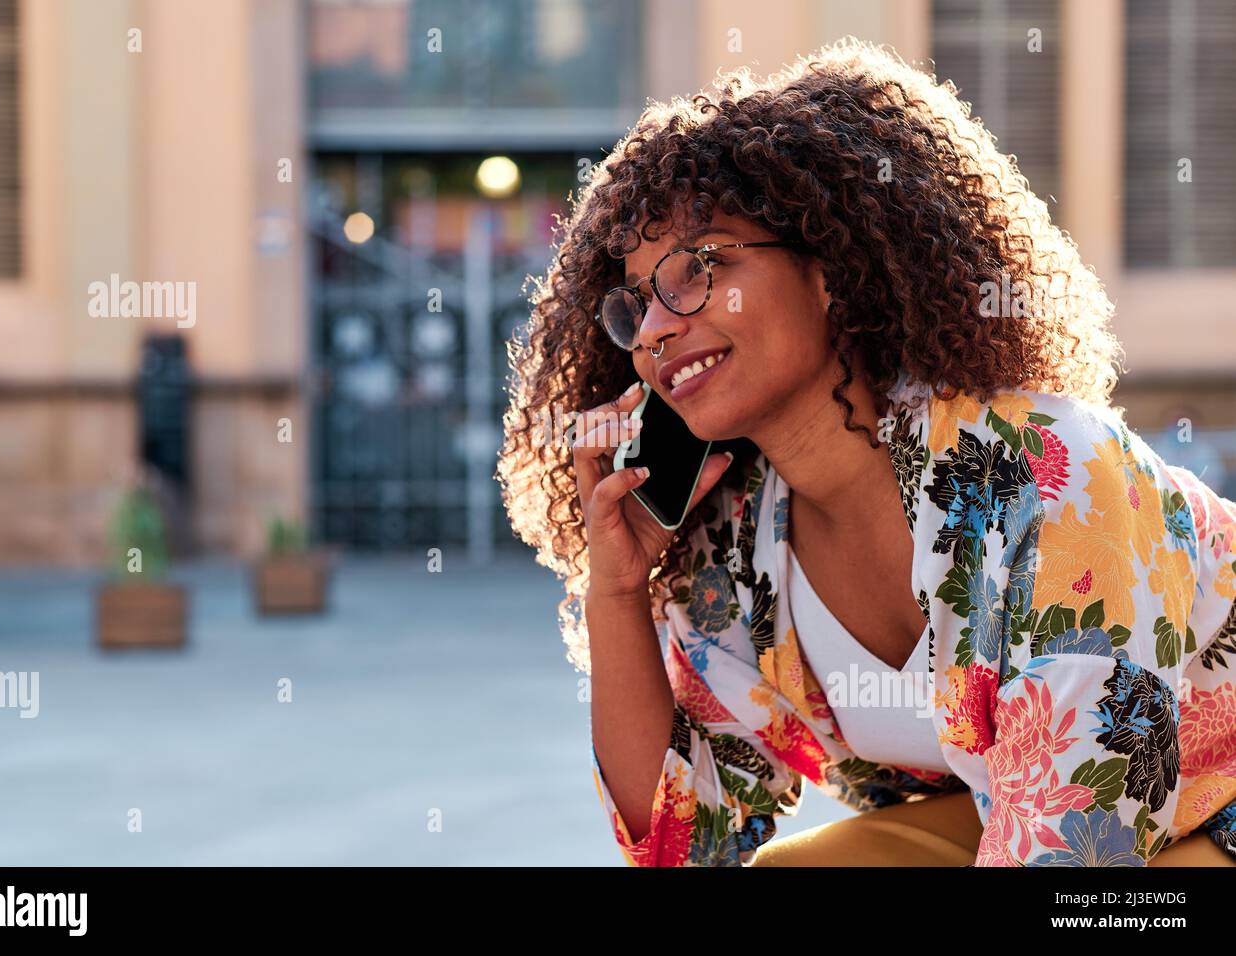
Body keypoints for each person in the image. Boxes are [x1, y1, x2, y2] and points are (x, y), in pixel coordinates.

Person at [495, 39, 1236, 866]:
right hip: (1019, 822)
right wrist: (617, 590)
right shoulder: (735, 542)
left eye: (700, 268)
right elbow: (683, 844)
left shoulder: (1040, 473)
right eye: (635, 302)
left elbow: (1079, 852)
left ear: (830, 270)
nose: (657, 327)